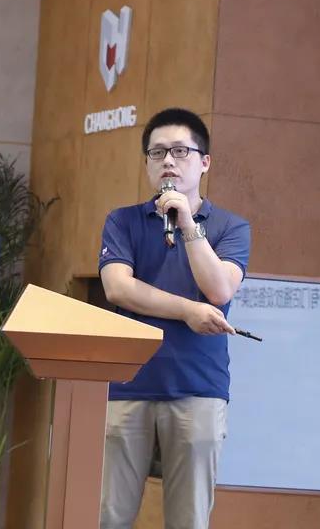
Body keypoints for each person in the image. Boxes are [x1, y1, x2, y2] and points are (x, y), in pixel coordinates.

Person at [97, 107, 251, 529]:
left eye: (180, 151)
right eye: (157, 152)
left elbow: (219, 291)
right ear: (147, 162)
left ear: (205, 162)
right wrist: (188, 310)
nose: (168, 161)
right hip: (127, 385)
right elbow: (118, 288)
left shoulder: (231, 227)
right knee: (108, 516)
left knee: (188, 520)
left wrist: (188, 223)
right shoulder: (123, 221)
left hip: (198, 387)